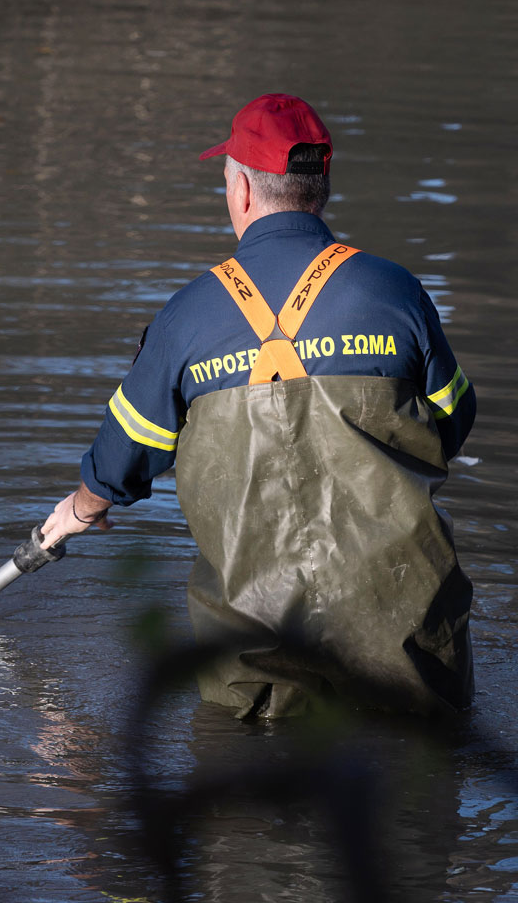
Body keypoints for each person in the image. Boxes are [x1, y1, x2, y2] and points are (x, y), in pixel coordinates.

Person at [40, 93, 477, 718]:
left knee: (249, 769)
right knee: (421, 768)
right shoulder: (396, 291)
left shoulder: (186, 316)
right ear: (321, 185)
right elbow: (452, 423)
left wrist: (83, 509)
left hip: (256, 654)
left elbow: (123, 456)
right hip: (404, 642)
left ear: (241, 189)